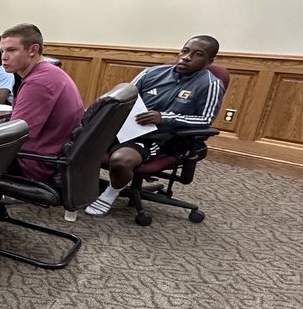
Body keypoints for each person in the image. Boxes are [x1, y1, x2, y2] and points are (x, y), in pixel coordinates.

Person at [86, 36, 225, 217]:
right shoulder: (151, 72)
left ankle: (109, 194)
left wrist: (164, 118)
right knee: (78, 138)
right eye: (185, 51)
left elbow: (205, 121)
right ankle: (74, 185)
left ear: (209, 61)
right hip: (125, 128)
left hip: (161, 138)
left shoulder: (211, 84)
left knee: (121, 161)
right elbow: (124, 97)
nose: (187, 57)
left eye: (197, 54)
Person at [0, 23, 84, 182]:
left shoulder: (39, 83)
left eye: (11, 50)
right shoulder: (50, 73)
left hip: (35, 163)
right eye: (2, 51)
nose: (4, 57)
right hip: (50, 154)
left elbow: (15, 133)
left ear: (33, 50)